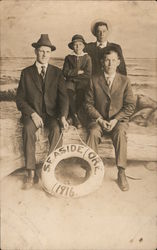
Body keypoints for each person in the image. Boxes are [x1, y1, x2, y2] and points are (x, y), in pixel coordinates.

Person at [16, 34, 69, 189]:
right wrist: (32, 113)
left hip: (51, 114)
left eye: (47, 51)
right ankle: (31, 172)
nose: (44, 54)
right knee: (27, 129)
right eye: (41, 51)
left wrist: (64, 117)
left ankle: (50, 168)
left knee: (56, 129)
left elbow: (64, 98)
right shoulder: (26, 73)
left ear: (50, 53)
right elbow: (20, 99)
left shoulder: (57, 72)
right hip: (32, 114)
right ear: (36, 52)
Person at [85, 45, 136, 191]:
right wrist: (100, 119)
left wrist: (115, 119)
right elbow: (88, 104)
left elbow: (130, 106)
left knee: (120, 133)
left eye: (113, 60)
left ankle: (121, 172)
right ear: (102, 62)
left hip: (118, 121)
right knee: (93, 133)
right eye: (107, 60)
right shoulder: (93, 80)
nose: (110, 64)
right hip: (98, 120)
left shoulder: (125, 81)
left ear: (118, 62)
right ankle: (90, 169)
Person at [63, 34, 92, 128]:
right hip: (70, 82)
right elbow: (64, 72)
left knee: (81, 94)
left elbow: (88, 74)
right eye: (75, 45)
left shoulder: (87, 58)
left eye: (80, 44)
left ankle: (74, 116)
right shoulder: (68, 57)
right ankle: (74, 116)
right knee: (68, 93)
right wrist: (77, 72)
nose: (78, 47)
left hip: (82, 82)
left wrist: (72, 74)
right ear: (72, 46)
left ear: (83, 46)